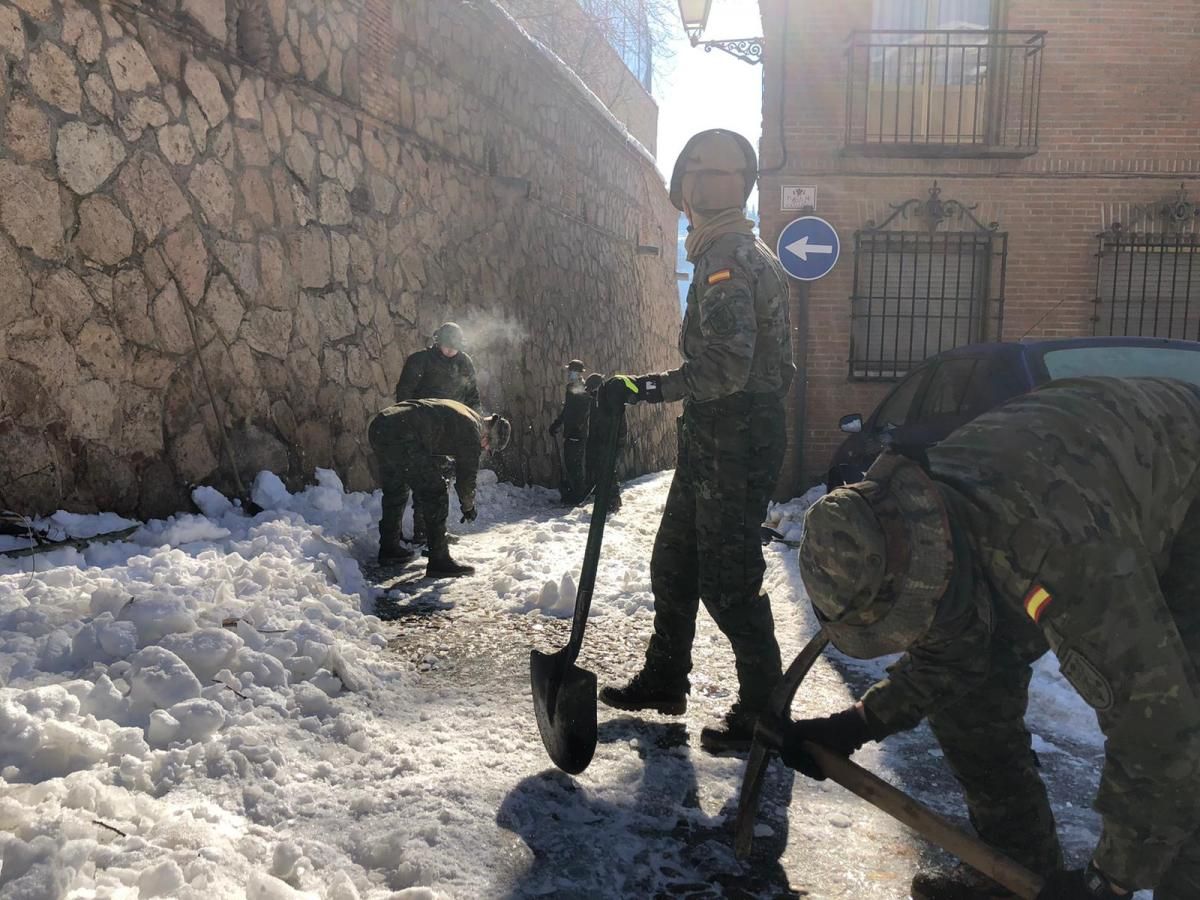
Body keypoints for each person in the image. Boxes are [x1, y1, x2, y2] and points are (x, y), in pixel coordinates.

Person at [761, 377, 1200, 900]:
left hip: (1182, 479)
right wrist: (856, 724)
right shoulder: (927, 509)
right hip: (1088, 471)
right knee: (971, 703)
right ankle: (1016, 876)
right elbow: (952, 646)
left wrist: (1109, 883)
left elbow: (1159, 735)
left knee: (1186, 723)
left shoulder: (1061, 554)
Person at [598, 128, 796, 754]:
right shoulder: (736, 248)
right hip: (719, 435)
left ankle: (766, 712)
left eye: (693, 180)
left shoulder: (727, 258)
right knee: (675, 561)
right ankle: (665, 678)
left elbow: (726, 370)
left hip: (735, 435)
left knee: (730, 580)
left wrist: (646, 389)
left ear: (691, 192)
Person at [368, 398, 510, 578]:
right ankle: (439, 560)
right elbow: (466, 480)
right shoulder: (472, 432)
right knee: (435, 492)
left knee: (396, 489)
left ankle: (389, 548)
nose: (484, 449)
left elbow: (433, 430)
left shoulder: (467, 414)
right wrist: (468, 507)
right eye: (488, 447)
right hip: (403, 434)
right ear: (488, 436)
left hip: (381, 425)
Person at [393, 322, 482, 546]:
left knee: (443, 483)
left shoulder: (464, 363)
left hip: (452, 434)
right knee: (426, 483)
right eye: (446, 345)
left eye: (455, 346)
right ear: (437, 341)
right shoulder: (420, 361)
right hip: (423, 432)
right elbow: (404, 394)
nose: (451, 350)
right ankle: (423, 533)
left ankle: (436, 531)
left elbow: (472, 396)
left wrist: (474, 424)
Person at [548, 360, 591, 505]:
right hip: (571, 432)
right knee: (569, 463)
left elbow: (585, 409)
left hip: (577, 433)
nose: (569, 374)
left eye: (571, 371)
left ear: (578, 373)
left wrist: (577, 426)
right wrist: (557, 424)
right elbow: (567, 410)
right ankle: (574, 493)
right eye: (569, 371)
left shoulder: (582, 388)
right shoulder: (571, 388)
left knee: (575, 464)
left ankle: (578, 495)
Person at [584, 372, 626, 512]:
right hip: (602, 441)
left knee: (609, 470)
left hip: (613, 441)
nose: (591, 394)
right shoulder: (596, 401)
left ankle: (613, 500)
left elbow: (619, 423)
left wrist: (616, 440)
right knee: (604, 469)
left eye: (592, 391)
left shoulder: (610, 399)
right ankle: (608, 499)